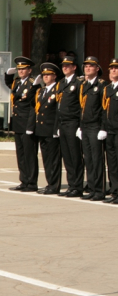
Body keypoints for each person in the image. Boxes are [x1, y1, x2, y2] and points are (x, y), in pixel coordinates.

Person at [5, 56, 41, 192]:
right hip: (18, 123)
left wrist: (31, 126)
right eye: (18, 69)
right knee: (20, 154)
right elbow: (9, 85)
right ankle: (24, 180)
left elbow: (33, 106)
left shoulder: (33, 83)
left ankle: (32, 182)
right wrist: (8, 74)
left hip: (27, 123)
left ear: (29, 70)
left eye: (23, 69)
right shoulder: (17, 82)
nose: (20, 71)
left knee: (29, 154)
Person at [27, 63, 62, 195]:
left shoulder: (57, 90)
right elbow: (30, 101)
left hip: (51, 129)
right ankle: (49, 183)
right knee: (46, 159)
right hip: (41, 129)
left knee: (53, 160)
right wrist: (35, 85)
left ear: (54, 76)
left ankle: (54, 185)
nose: (46, 77)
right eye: (44, 75)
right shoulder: (41, 91)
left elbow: (58, 111)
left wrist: (56, 129)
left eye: (48, 75)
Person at [78, 56, 108, 201]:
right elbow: (81, 108)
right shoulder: (83, 85)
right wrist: (80, 126)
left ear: (97, 69)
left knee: (97, 159)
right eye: (85, 66)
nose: (87, 68)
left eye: (91, 66)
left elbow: (104, 109)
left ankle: (99, 190)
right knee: (88, 159)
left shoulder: (101, 85)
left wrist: (103, 128)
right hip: (85, 126)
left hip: (96, 126)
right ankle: (91, 188)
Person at [55, 55, 86, 198]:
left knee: (75, 156)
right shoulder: (61, 83)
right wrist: (57, 126)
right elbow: (58, 106)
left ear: (74, 67)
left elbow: (81, 105)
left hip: (73, 123)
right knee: (67, 157)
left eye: (68, 65)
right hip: (63, 123)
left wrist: (81, 125)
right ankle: (71, 185)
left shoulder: (79, 82)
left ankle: (77, 187)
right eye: (63, 65)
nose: (65, 67)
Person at [101, 58, 118, 204]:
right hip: (110, 131)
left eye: (116, 68)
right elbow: (104, 111)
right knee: (111, 163)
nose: (113, 70)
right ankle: (115, 192)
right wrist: (103, 128)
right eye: (111, 68)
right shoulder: (108, 88)